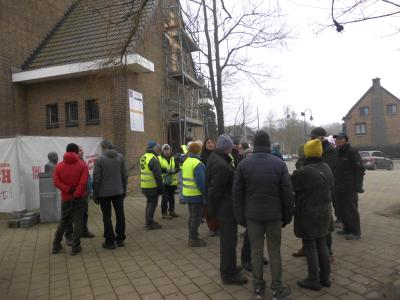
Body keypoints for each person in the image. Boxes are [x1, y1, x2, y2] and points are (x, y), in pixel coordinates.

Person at [233, 130, 293, 300]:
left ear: (255, 144)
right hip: (274, 216)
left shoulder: (244, 164)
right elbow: (287, 193)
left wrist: (240, 217)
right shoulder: (279, 164)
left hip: (253, 217)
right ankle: (277, 289)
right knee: (274, 251)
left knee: (256, 252)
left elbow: (237, 193)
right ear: (268, 144)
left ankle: (258, 289)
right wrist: (287, 216)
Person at [291, 139, 333, 291]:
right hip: (324, 212)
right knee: (321, 243)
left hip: (308, 214)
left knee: (309, 245)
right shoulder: (326, 167)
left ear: (307, 153)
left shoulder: (304, 171)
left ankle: (313, 279)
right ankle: (325, 277)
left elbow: (292, 186)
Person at [207, 134, 248, 285]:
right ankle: (228, 274)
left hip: (224, 208)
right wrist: (211, 211)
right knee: (228, 242)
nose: (232, 150)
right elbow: (215, 190)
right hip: (225, 209)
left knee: (229, 240)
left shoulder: (215, 158)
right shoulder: (221, 165)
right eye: (231, 148)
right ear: (226, 148)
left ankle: (230, 267)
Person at [293, 126, 337, 259]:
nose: (311, 139)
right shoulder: (312, 148)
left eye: (313, 137)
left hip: (322, 193)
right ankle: (307, 248)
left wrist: (303, 162)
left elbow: (318, 168)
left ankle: (327, 252)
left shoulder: (329, 151)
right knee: (311, 225)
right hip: (311, 192)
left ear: (321, 138)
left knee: (325, 226)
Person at [52, 143, 89, 256]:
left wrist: (68, 190)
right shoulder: (82, 165)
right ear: (76, 152)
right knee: (78, 221)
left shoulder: (58, 166)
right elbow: (83, 182)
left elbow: (56, 182)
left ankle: (56, 245)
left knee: (63, 221)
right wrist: (76, 194)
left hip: (66, 198)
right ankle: (75, 247)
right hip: (80, 198)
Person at [93, 140, 128, 249]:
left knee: (106, 217)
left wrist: (95, 194)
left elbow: (96, 179)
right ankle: (120, 239)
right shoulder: (120, 157)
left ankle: (110, 241)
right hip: (118, 191)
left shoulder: (99, 160)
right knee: (120, 215)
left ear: (103, 147)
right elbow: (125, 175)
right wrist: (124, 189)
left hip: (104, 194)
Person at [333, 132, 365, 240]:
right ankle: (346, 229)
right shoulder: (337, 152)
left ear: (346, 140)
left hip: (350, 187)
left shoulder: (352, 151)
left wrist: (358, 185)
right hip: (338, 187)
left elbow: (360, 169)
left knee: (351, 210)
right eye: (336, 139)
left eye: (340, 139)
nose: (337, 141)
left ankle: (356, 232)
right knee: (342, 209)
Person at [64, 146, 95, 246]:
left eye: (82, 150)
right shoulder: (69, 163)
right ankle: (68, 236)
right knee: (70, 216)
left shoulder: (82, 161)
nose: (82, 152)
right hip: (73, 195)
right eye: (80, 150)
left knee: (84, 214)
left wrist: (89, 190)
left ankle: (83, 231)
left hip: (84, 194)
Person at [182, 141, 206, 247]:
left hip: (187, 193)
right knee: (196, 217)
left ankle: (193, 235)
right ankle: (193, 239)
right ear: (198, 151)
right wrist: (205, 195)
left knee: (192, 216)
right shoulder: (197, 163)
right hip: (196, 195)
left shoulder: (186, 161)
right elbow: (201, 182)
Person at [140, 141, 164, 230]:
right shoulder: (153, 159)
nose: (158, 148)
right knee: (152, 204)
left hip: (144, 186)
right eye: (157, 147)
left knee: (149, 203)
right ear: (153, 148)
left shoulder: (143, 157)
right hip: (152, 186)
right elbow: (158, 176)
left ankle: (149, 221)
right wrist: (161, 189)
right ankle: (149, 223)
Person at [200, 138, 219, 237]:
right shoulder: (202, 156)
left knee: (218, 207)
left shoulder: (218, 154)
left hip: (216, 183)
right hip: (207, 184)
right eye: (208, 142)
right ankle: (212, 228)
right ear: (205, 145)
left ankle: (218, 227)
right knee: (208, 209)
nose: (211, 144)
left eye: (212, 142)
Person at [158, 144, 179, 219]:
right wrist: (165, 170)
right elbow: (158, 169)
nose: (167, 151)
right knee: (165, 198)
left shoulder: (173, 158)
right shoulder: (159, 158)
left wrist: (174, 170)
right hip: (164, 182)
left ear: (170, 150)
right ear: (163, 151)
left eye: (168, 149)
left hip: (172, 182)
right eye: (165, 150)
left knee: (172, 198)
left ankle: (172, 211)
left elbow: (178, 167)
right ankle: (164, 213)